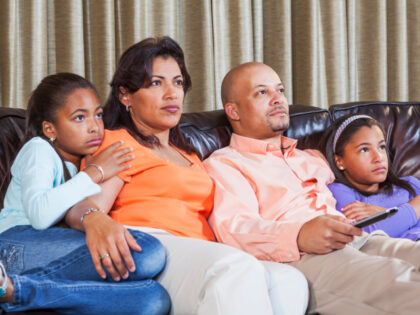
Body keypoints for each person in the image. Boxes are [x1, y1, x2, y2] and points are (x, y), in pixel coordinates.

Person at [64, 37, 309, 315]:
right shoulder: (118, 142)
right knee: (236, 269)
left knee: (290, 280)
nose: (172, 94)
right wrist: (94, 219)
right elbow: (84, 204)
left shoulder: (191, 154)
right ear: (125, 95)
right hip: (150, 247)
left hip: (202, 251)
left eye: (178, 83)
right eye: (156, 83)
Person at [203, 61, 420, 314]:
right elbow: (235, 230)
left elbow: (364, 181)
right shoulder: (226, 164)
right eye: (263, 92)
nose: (277, 99)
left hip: (361, 239)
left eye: (280, 90)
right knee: (400, 284)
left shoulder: (311, 158)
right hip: (306, 256)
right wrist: (299, 235)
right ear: (234, 111)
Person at [0, 73, 170, 314]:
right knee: (147, 252)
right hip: (13, 243)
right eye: (79, 117)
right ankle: (17, 289)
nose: (94, 127)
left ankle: (15, 292)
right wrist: (95, 172)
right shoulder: (39, 149)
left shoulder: (79, 164)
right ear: (50, 128)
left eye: (98, 115)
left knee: (154, 299)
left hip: (42, 254)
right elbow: (39, 215)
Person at [320, 114, 420, 240]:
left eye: (381, 147)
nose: (379, 157)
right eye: (364, 150)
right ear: (339, 161)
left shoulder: (410, 185)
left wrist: (384, 213)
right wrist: (416, 206)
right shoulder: (339, 192)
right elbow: (365, 235)